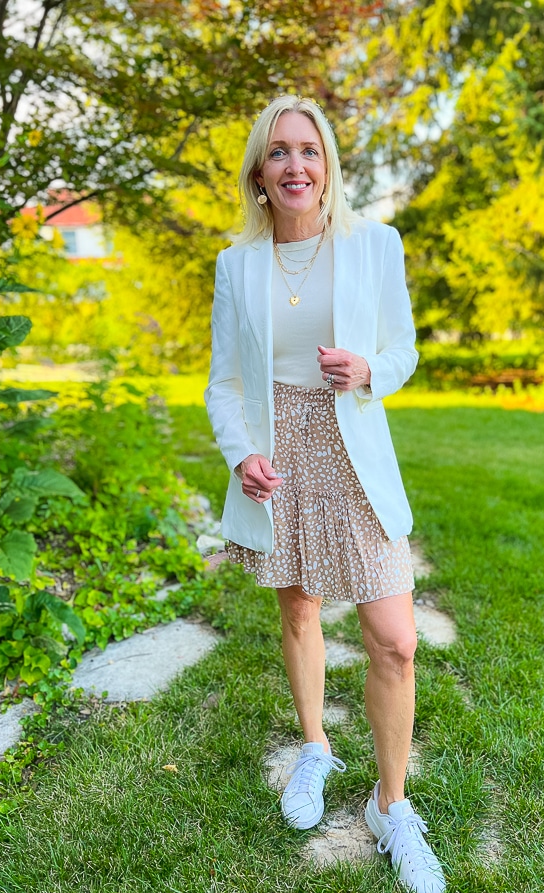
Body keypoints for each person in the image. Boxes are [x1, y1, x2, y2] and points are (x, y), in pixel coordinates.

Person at [205, 95, 446, 893]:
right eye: (279, 153)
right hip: (280, 454)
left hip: (352, 450)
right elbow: (224, 384)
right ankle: (315, 746)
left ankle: (391, 805)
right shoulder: (235, 265)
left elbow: (403, 347)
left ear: (329, 166)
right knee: (300, 607)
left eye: (309, 150)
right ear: (259, 176)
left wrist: (372, 371)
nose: (296, 165)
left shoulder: (375, 245)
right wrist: (242, 454)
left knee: (395, 637)